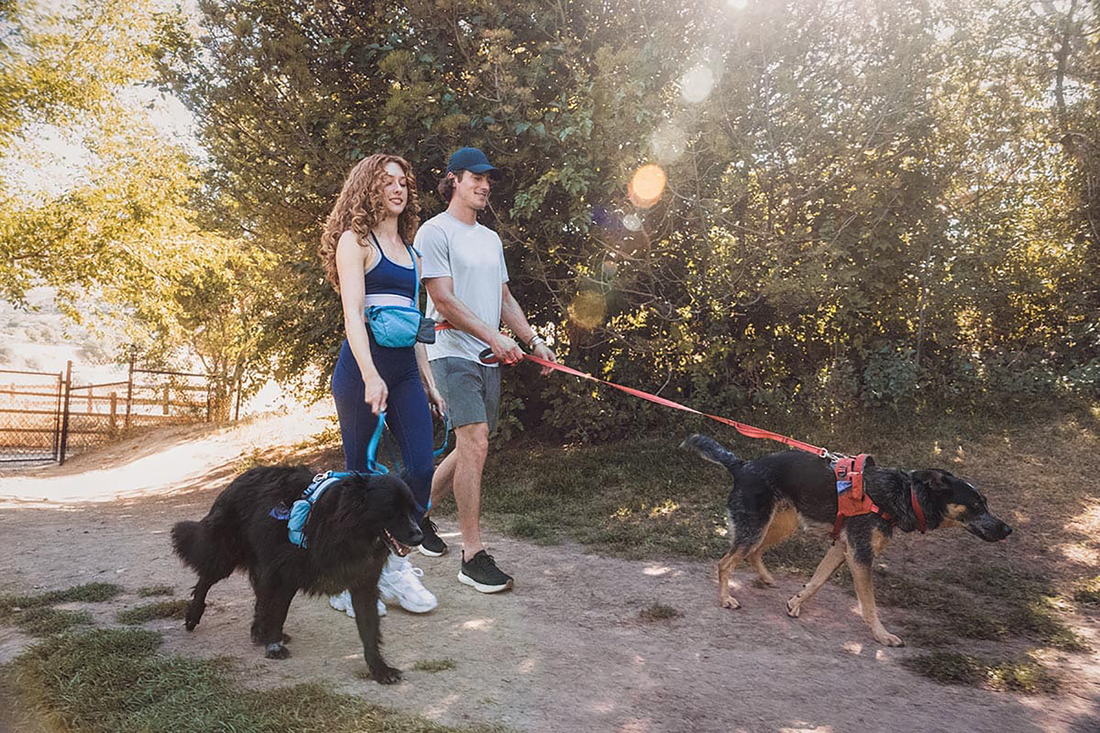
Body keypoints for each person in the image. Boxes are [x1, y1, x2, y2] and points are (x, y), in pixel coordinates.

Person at [416, 146, 557, 593]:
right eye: (475, 177)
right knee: (474, 442)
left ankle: (411, 513)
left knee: (470, 447)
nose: (484, 185)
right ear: (453, 180)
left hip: (486, 357)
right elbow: (443, 300)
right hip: (448, 351)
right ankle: (472, 555)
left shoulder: (491, 239)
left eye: (488, 179)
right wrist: (493, 337)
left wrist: (532, 339)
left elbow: (504, 299)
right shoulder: (434, 232)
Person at [318, 153, 446, 616]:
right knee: (362, 478)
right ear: (368, 189)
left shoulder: (412, 254)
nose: (397, 189)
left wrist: (429, 381)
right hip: (360, 372)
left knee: (419, 468)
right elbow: (353, 315)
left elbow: (413, 327)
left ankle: (393, 568)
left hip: (406, 373)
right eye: (386, 181)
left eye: (403, 182)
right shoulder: (356, 242)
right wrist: (371, 375)